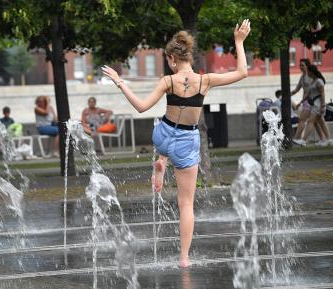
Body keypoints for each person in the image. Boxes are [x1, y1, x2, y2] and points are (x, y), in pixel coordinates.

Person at [102, 19, 251, 267]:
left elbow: (140, 107)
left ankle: (160, 161)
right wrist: (238, 42)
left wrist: (120, 82)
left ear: (172, 58)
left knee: (163, 132)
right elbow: (243, 72)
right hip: (187, 140)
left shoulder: (167, 81)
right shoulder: (205, 80)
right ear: (189, 57)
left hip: (162, 135)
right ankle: (184, 258)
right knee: (186, 204)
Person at [293, 64, 331, 146]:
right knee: (321, 122)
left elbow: (322, 94)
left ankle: (303, 140)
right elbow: (308, 94)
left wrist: (323, 106)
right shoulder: (312, 81)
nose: (307, 73)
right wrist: (301, 102)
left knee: (310, 121)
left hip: (318, 104)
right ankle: (328, 139)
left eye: (308, 72)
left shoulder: (319, 81)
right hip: (314, 104)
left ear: (311, 72)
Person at [292, 59, 323, 141]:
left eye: (302, 65)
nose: (301, 67)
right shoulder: (302, 77)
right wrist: (287, 95)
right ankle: (323, 139)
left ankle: (296, 139)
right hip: (307, 101)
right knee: (316, 122)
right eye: (300, 65)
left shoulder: (310, 77)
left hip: (310, 101)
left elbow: (312, 91)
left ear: (307, 66)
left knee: (302, 119)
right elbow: (297, 89)